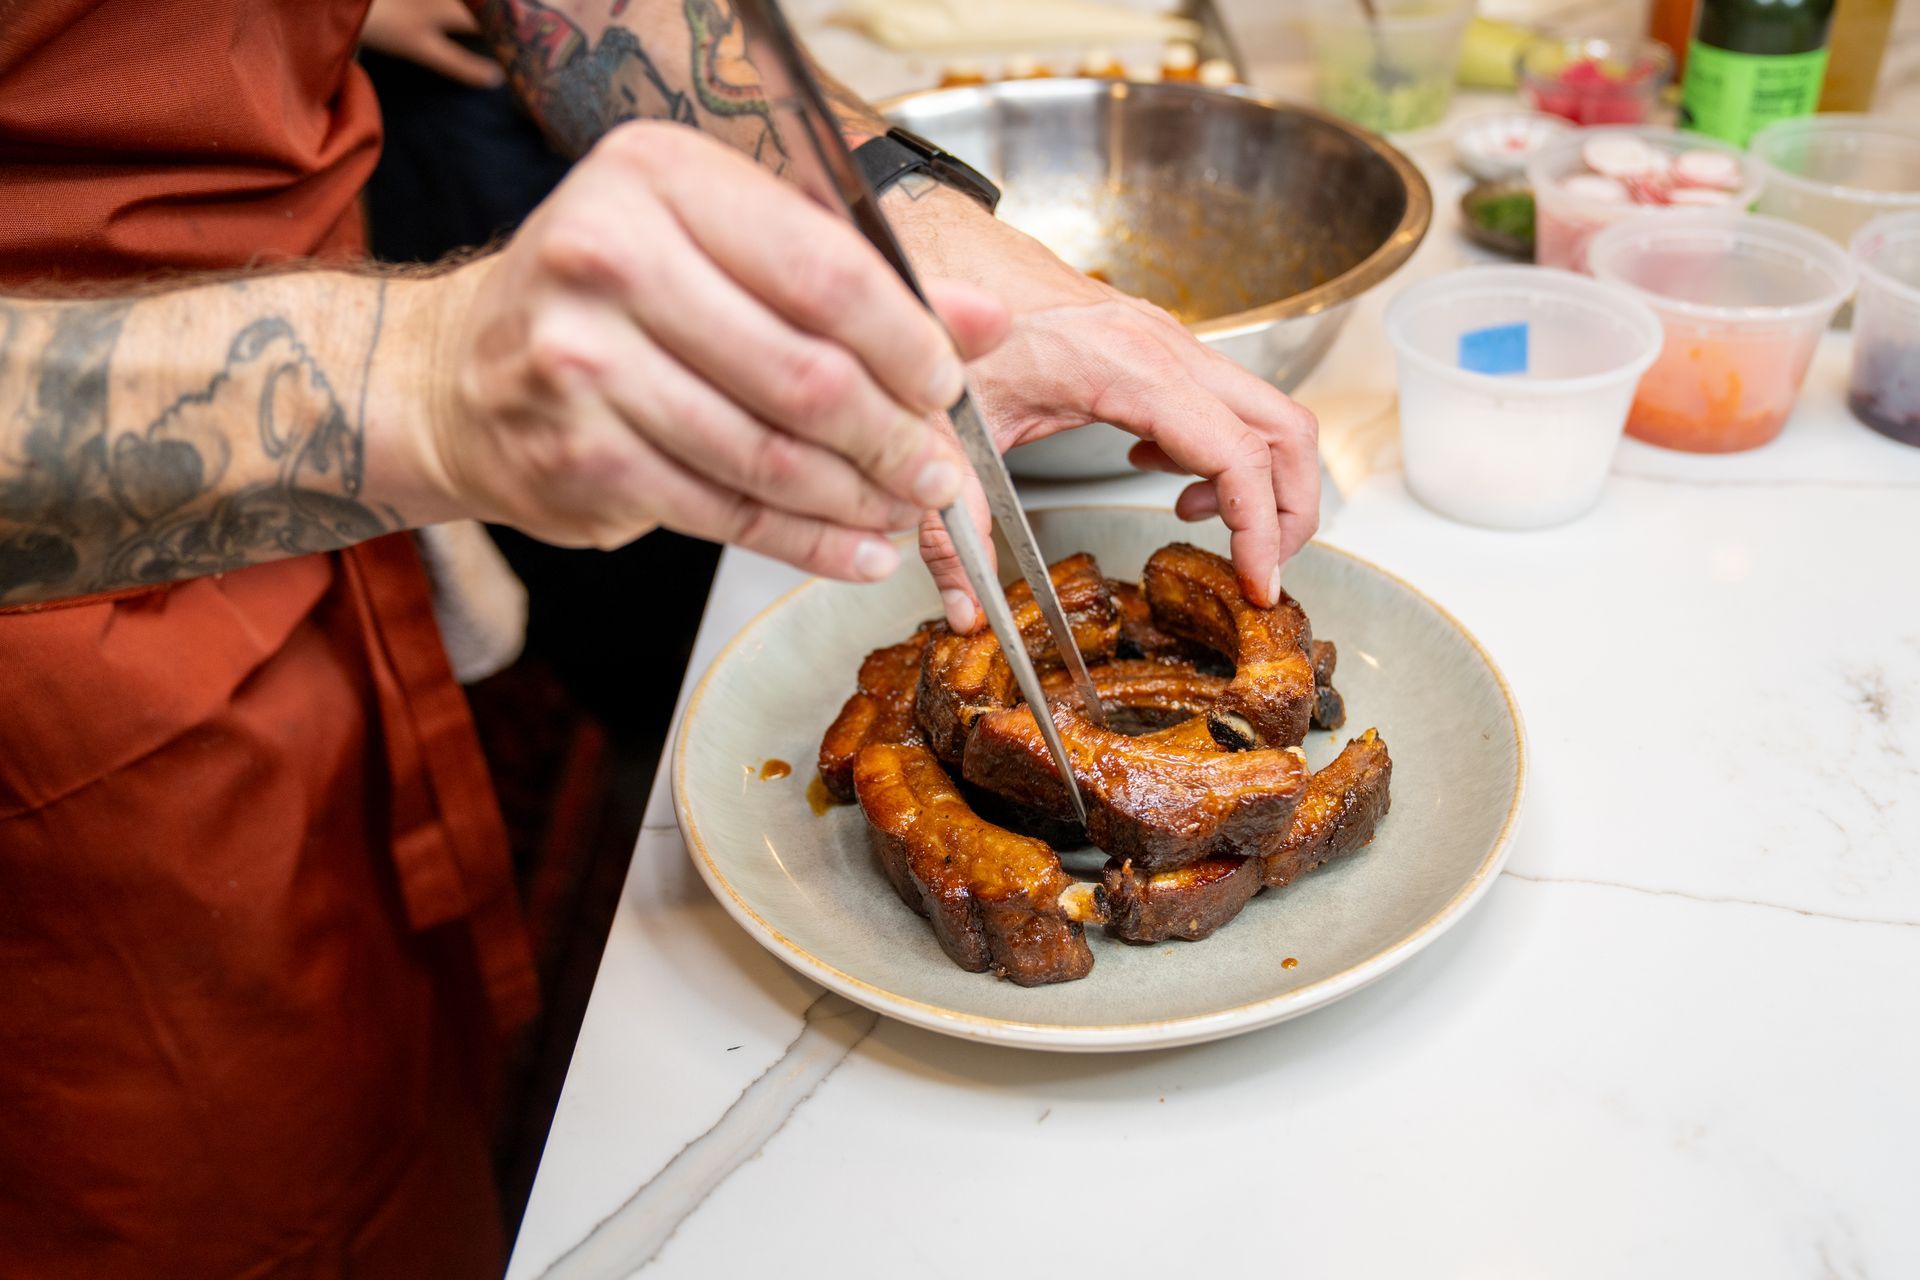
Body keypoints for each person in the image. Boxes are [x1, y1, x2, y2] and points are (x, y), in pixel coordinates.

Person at [0, 1, 1319, 1274]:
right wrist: (400, 381)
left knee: (410, 1122)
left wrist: (885, 207)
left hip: (326, 550)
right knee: (221, 1198)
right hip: (62, 745)